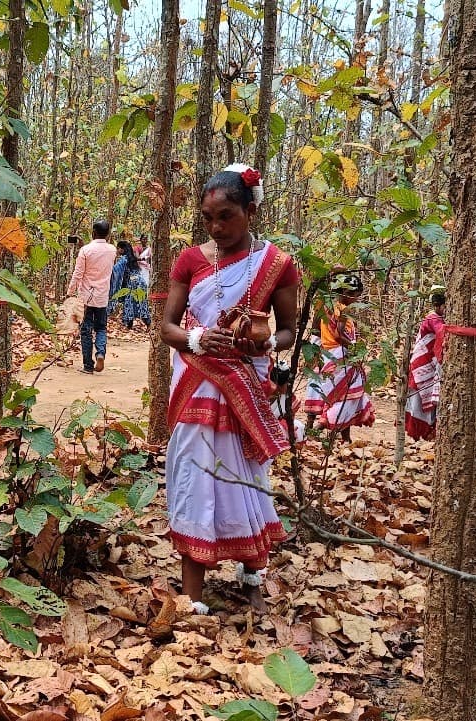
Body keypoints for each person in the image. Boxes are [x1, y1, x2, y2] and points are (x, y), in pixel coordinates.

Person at [160, 164, 300, 613]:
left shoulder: (277, 265)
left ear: (250, 212)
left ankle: (251, 576)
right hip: (197, 382)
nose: (216, 228)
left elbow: (288, 329)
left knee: (248, 479)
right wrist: (200, 339)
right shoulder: (190, 260)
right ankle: (192, 594)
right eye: (208, 218)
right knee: (194, 477)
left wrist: (263, 341)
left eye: (226, 216)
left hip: (247, 383)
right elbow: (167, 328)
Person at [303, 272, 375, 441]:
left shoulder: (326, 305)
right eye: (354, 295)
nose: (355, 299)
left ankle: (341, 437)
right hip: (341, 354)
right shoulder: (342, 310)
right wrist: (355, 348)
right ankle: (322, 428)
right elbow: (339, 334)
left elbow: (317, 329)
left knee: (336, 393)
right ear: (345, 293)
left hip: (327, 353)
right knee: (347, 394)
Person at [69, 220, 117, 373]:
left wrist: (70, 291)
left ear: (93, 232)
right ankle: (100, 353)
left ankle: (88, 365)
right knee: (101, 327)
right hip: (102, 296)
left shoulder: (85, 250)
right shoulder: (112, 250)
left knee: (86, 330)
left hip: (86, 297)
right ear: (108, 234)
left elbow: (78, 273)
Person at [405, 287, 446, 440]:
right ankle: (417, 430)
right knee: (418, 399)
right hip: (422, 365)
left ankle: (429, 430)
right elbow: (441, 331)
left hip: (431, 364)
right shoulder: (432, 318)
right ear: (437, 306)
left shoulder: (440, 318)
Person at [111, 239, 151, 330]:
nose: (117, 250)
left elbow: (115, 271)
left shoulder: (124, 259)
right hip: (140, 282)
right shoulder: (132, 258)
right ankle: (147, 324)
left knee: (129, 303)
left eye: (118, 248)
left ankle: (130, 325)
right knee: (141, 303)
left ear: (122, 249)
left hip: (133, 283)